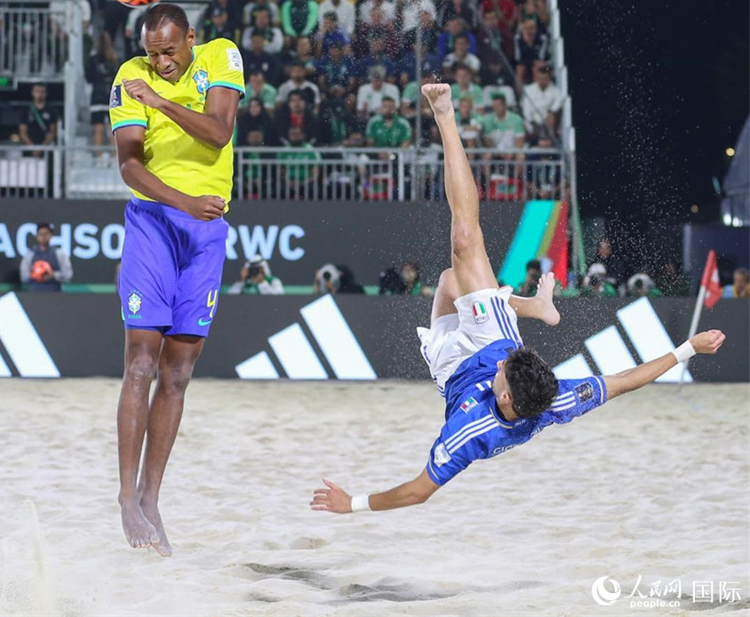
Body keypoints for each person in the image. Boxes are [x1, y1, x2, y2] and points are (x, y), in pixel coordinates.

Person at [310, 83, 726, 514]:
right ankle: (446, 116)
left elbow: (418, 491)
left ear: (505, 397)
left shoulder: (469, 434)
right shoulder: (558, 399)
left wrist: (352, 504)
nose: (508, 364)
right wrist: (686, 349)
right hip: (492, 337)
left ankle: (534, 306)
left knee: (451, 279)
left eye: (507, 371)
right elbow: (624, 382)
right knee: (466, 237)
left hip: (453, 366)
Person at [108, 3, 244, 556]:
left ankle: (152, 496)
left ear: (191, 38)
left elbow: (218, 132)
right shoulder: (128, 76)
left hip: (206, 232)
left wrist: (162, 102)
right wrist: (186, 201)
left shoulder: (221, 55)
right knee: (140, 361)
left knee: (179, 373)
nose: (161, 61)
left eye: (170, 50)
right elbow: (130, 165)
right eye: (153, 52)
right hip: (153, 223)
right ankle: (125, 497)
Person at [86, 31, 120, 162]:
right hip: (112, 95)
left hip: (97, 95)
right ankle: (115, 154)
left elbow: (89, 77)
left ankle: (99, 155)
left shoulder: (93, 59)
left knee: (98, 126)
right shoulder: (115, 59)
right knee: (113, 126)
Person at [19, 223, 73, 292]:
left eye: (46, 234)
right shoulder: (30, 254)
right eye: (41, 234)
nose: (44, 237)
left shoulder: (59, 253)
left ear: (51, 235)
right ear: (37, 236)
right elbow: (24, 277)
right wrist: (36, 274)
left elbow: (68, 275)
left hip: (55, 293)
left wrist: (54, 275)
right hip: (35, 294)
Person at [19, 84, 58, 154]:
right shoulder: (26, 110)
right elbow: (23, 132)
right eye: (37, 91)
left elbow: (53, 132)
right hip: (29, 149)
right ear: (32, 93)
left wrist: (41, 148)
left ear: (46, 94)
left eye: (42, 92)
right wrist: (32, 148)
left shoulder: (52, 110)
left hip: (46, 150)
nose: (39, 94)